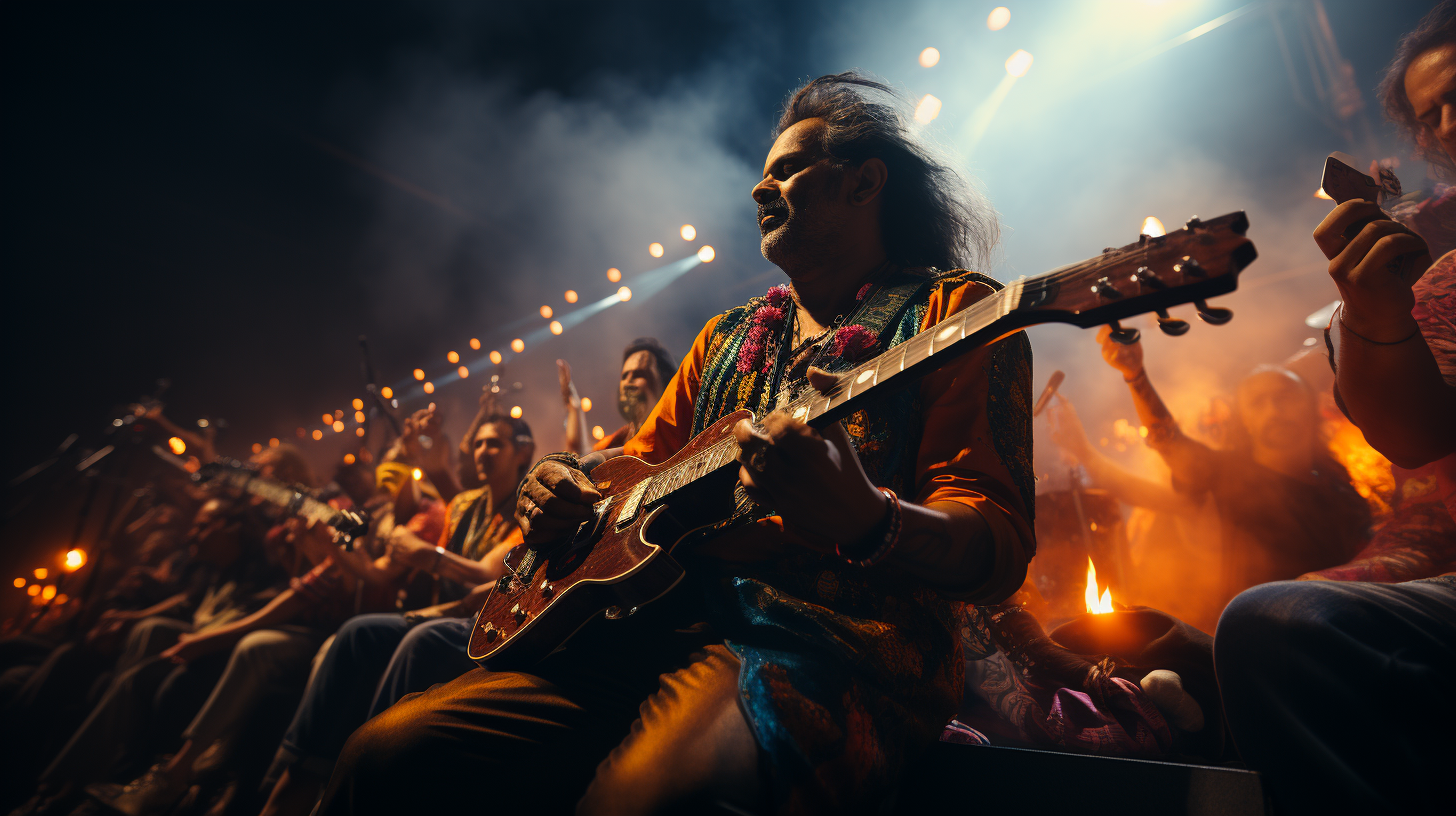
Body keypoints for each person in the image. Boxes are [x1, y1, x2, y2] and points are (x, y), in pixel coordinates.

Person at [321, 71, 1034, 815]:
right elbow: (633, 470)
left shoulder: (956, 312)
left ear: (865, 183)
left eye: (788, 170)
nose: (761, 190)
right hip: (645, 629)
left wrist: (869, 518)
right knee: (385, 754)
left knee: (638, 800)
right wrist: (562, 481)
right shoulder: (725, 337)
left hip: (829, 647)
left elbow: (998, 545)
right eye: (762, 174)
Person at [1214, 5, 1456, 814]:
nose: (1450, 122)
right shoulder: (1427, 253)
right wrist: (1376, 314)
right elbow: (1413, 436)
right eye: (1432, 115)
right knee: (1267, 620)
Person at [254, 405, 534, 816]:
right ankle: (292, 785)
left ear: (522, 453)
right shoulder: (465, 503)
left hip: (485, 621)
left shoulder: (527, 505)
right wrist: (413, 463)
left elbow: (486, 574)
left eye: (496, 443)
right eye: (478, 443)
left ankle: (356, 780)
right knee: (358, 632)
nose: (484, 451)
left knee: (418, 637)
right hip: (447, 610)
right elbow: (386, 552)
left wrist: (430, 555)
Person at [1093, 327, 1370, 606]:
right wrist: (1135, 375)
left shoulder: (1339, 486)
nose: (1274, 410)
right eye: (1258, 402)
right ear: (1244, 420)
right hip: (1260, 634)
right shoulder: (1229, 474)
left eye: (1284, 397)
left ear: (1311, 406)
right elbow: (1170, 443)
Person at [557, 337, 677, 455]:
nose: (627, 382)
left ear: (666, 382)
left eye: (639, 374)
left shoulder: (676, 432)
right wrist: (575, 407)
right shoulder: (618, 440)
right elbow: (580, 458)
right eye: (624, 376)